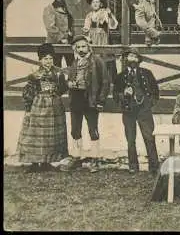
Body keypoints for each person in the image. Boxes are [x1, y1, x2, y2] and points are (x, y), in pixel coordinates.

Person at [17, 43, 69, 172]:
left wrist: (59, 88)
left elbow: (63, 89)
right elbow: (28, 92)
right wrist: (28, 108)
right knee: (36, 134)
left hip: (55, 107)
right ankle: (34, 163)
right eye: (45, 58)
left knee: (51, 135)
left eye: (50, 58)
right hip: (38, 106)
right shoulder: (35, 74)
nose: (48, 61)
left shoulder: (58, 73)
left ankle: (47, 162)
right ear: (40, 60)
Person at [63, 35, 109, 173]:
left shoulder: (97, 61)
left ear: (88, 47)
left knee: (92, 129)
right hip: (76, 99)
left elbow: (105, 82)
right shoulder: (75, 62)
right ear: (75, 49)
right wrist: (69, 83)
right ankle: (77, 157)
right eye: (78, 47)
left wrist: (101, 100)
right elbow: (70, 78)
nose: (81, 49)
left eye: (83, 46)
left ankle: (95, 159)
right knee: (75, 129)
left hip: (91, 100)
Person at [113, 47, 160, 175]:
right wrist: (123, 94)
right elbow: (115, 96)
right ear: (126, 59)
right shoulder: (120, 77)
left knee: (149, 137)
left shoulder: (147, 73)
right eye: (130, 56)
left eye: (135, 57)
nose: (132, 59)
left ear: (139, 60)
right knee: (130, 139)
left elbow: (156, 92)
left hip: (144, 109)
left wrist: (149, 103)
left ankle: (154, 166)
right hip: (128, 111)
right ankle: (133, 165)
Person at [82, 0, 119, 83]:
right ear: (91, 5)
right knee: (93, 58)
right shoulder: (89, 15)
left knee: (105, 58)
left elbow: (113, 25)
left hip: (103, 37)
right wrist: (86, 34)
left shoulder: (105, 12)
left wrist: (110, 15)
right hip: (93, 38)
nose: (95, 4)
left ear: (101, 4)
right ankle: (94, 79)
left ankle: (107, 79)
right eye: (93, 2)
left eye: (97, 2)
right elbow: (86, 27)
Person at [42, 0, 75, 68]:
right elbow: (50, 27)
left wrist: (71, 32)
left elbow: (70, 23)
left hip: (68, 42)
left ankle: (71, 81)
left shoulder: (66, 8)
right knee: (56, 66)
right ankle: (58, 81)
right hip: (55, 42)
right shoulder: (49, 9)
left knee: (72, 65)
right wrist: (62, 38)